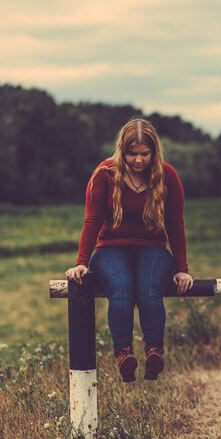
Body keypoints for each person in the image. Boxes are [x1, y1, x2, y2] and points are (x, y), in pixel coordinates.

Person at [65, 118, 193, 382]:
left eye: (144, 154)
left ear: (154, 152)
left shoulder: (167, 176)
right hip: (111, 247)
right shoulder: (104, 174)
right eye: (132, 154)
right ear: (122, 151)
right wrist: (81, 262)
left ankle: (154, 353)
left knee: (148, 290)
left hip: (153, 248)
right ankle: (124, 355)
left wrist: (182, 269)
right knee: (121, 289)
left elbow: (176, 224)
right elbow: (92, 220)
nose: (138, 160)